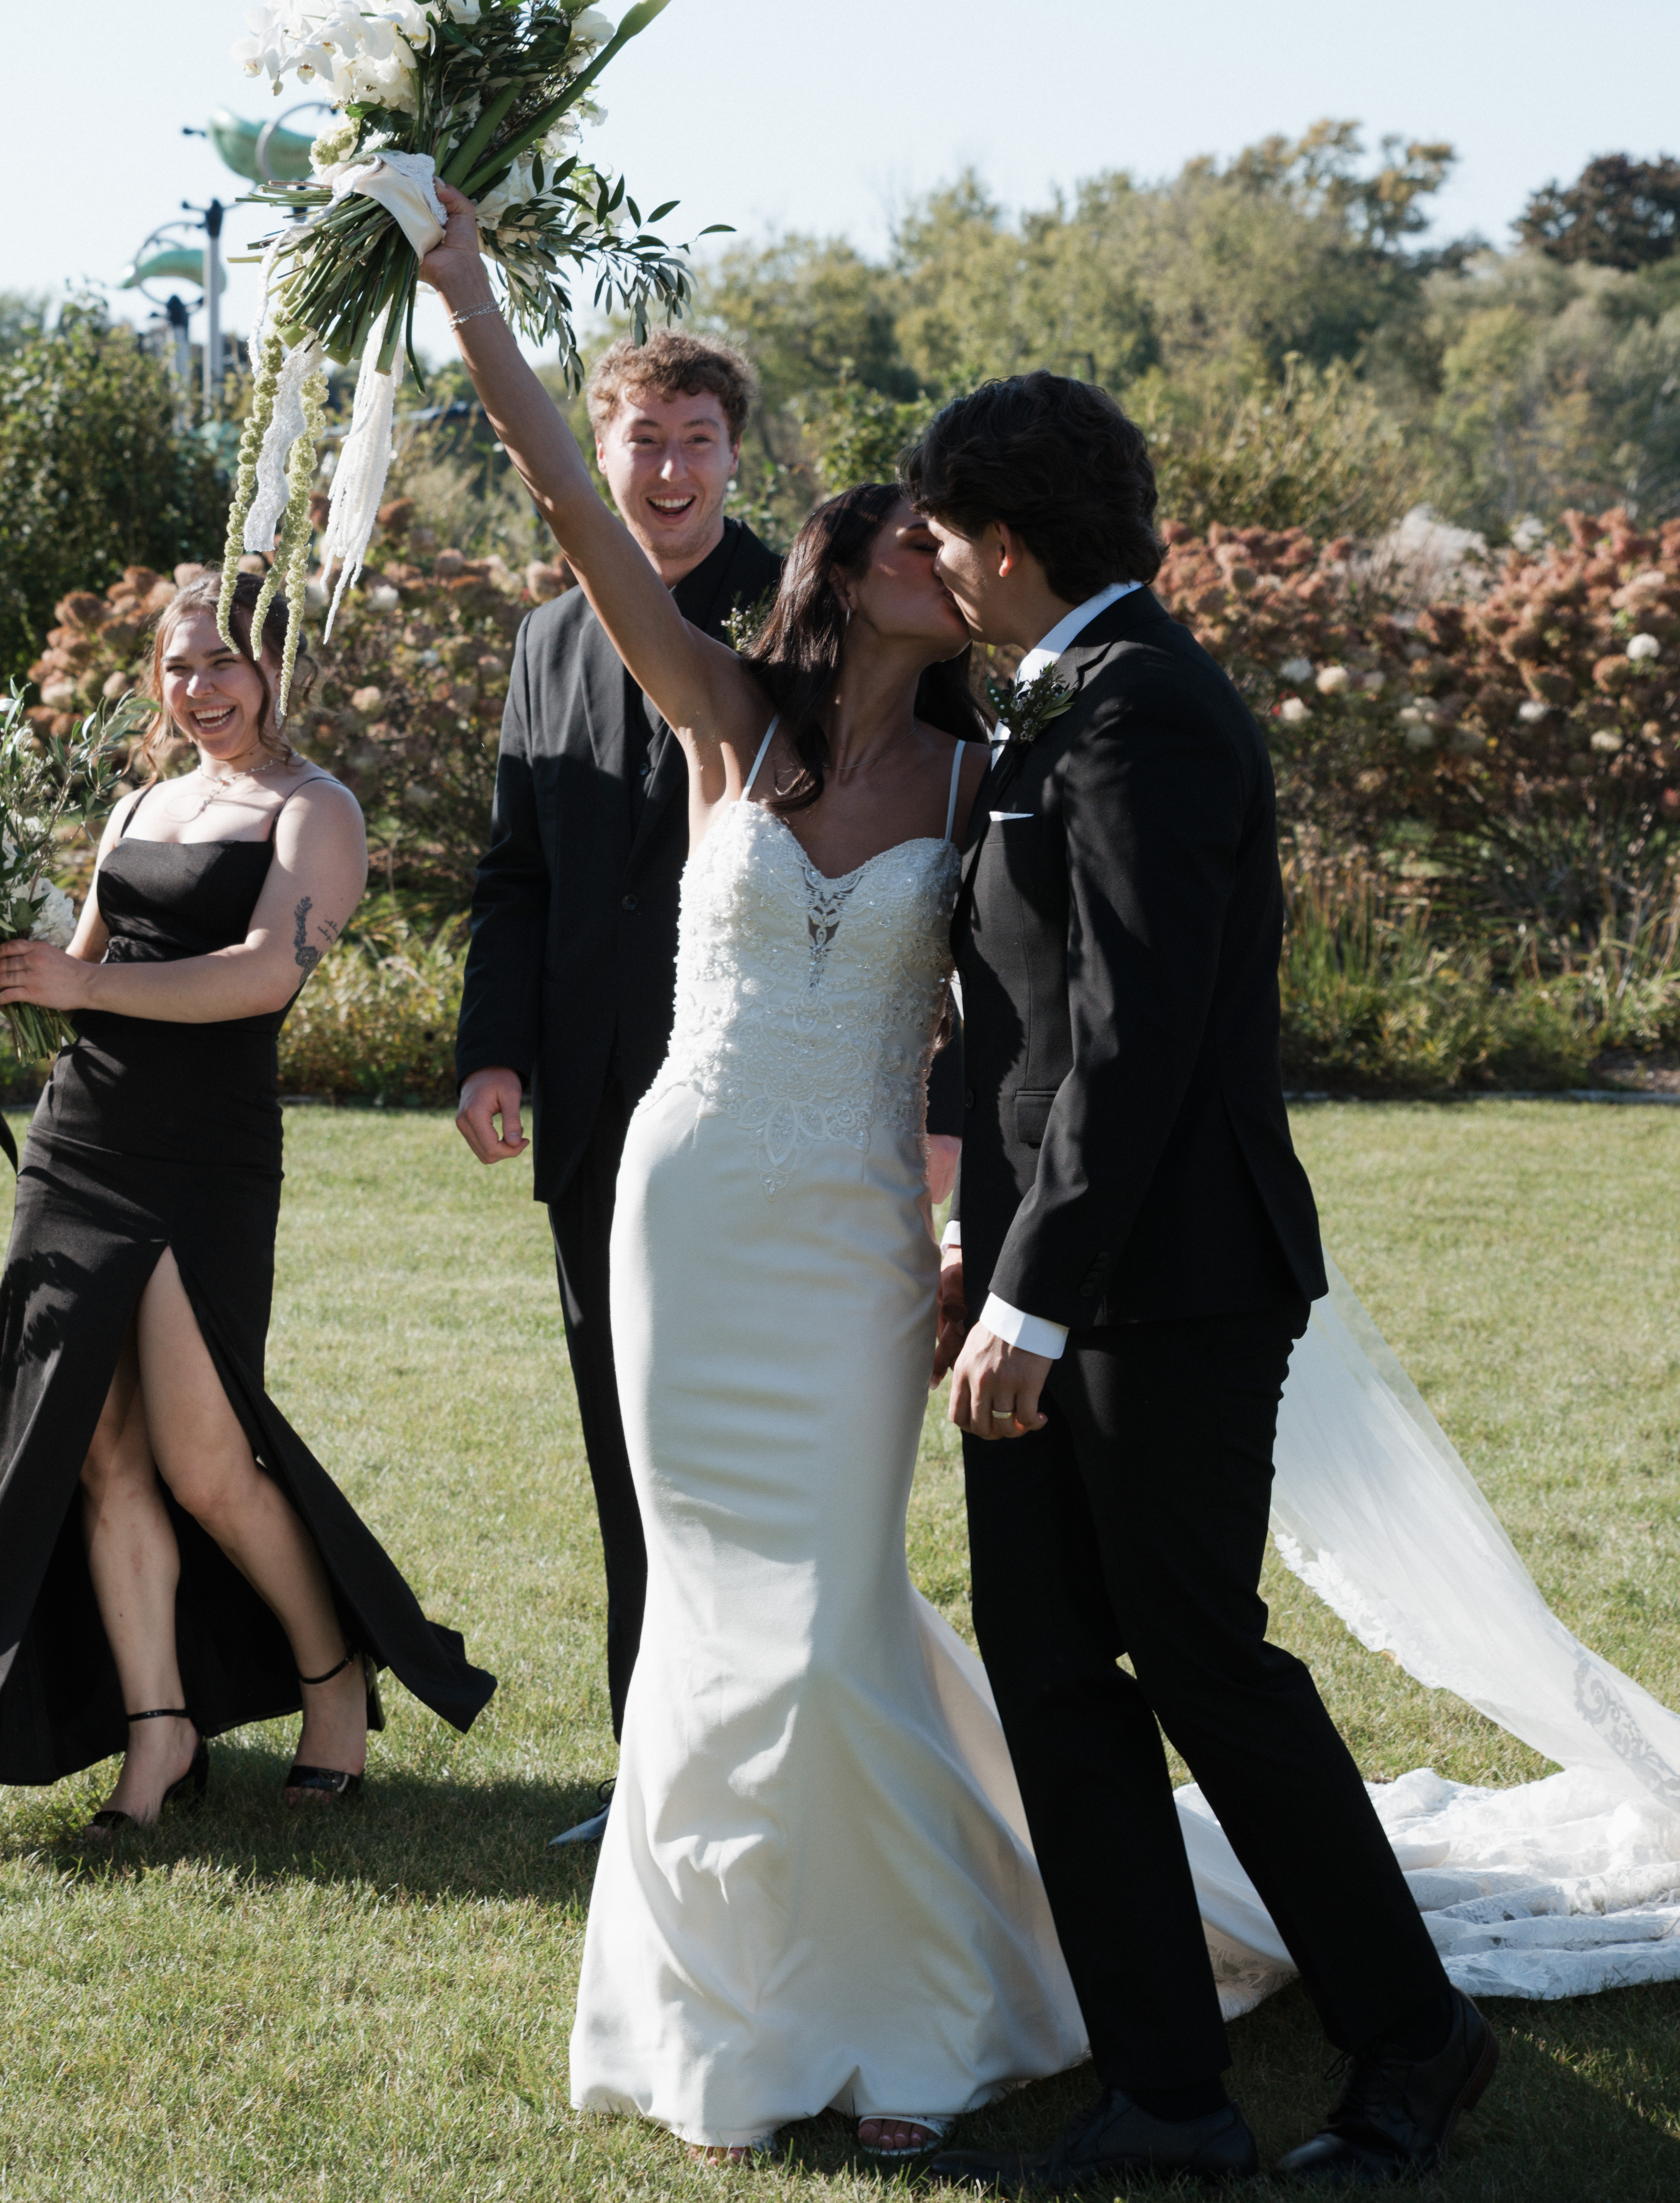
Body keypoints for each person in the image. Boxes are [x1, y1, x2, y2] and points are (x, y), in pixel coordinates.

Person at [419, 191, 1088, 2157]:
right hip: (692, 1209)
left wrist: (988, 1214)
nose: (933, 557)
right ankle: (730, 2021)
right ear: (843, 564)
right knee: (717, 1610)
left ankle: (906, 2001)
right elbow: (566, 507)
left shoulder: (987, 780)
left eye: (948, 548)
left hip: (860, 1238)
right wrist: (470, 298)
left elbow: (1033, 1014)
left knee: (826, 1610)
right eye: (905, 536)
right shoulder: (725, 721)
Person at [918, 371, 1496, 2189]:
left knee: (1197, 1659)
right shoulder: (1055, 700)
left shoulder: (1146, 711)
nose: (928, 567)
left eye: (939, 537)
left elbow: (1133, 1036)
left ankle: (1416, 2035)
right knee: (1044, 1667)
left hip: (1156, 1286)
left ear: (1005, 548)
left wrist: (1034, 1301)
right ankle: (1162, 2093)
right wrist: (980, 1248)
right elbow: (1017, 1029)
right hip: (1043, 1267)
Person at [0, 570, 495, 1823]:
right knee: (95, 1456)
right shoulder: (140, 806)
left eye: (225, 662)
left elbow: (265, 976)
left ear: (276, 668)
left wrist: (82, 990)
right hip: (81, 1143)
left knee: (209, 1464)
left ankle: (333, 1681)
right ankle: (156, 1734)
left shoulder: (315, 809)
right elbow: (83, 965)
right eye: (178, 666)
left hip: (203, 1160)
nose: (199, 688)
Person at [452, 326, 779, 1830]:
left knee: (754, 1446)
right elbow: (517, 872)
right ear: (597, 451)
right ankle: (650, 1769)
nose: (666, 469)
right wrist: (494, 1048)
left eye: (694, 438)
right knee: (624, 1438)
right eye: (639, 441)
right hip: (592, 1105)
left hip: (765, 1091)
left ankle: (775, 1759)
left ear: (734, 453)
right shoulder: (547, 642)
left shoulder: (810, 610)